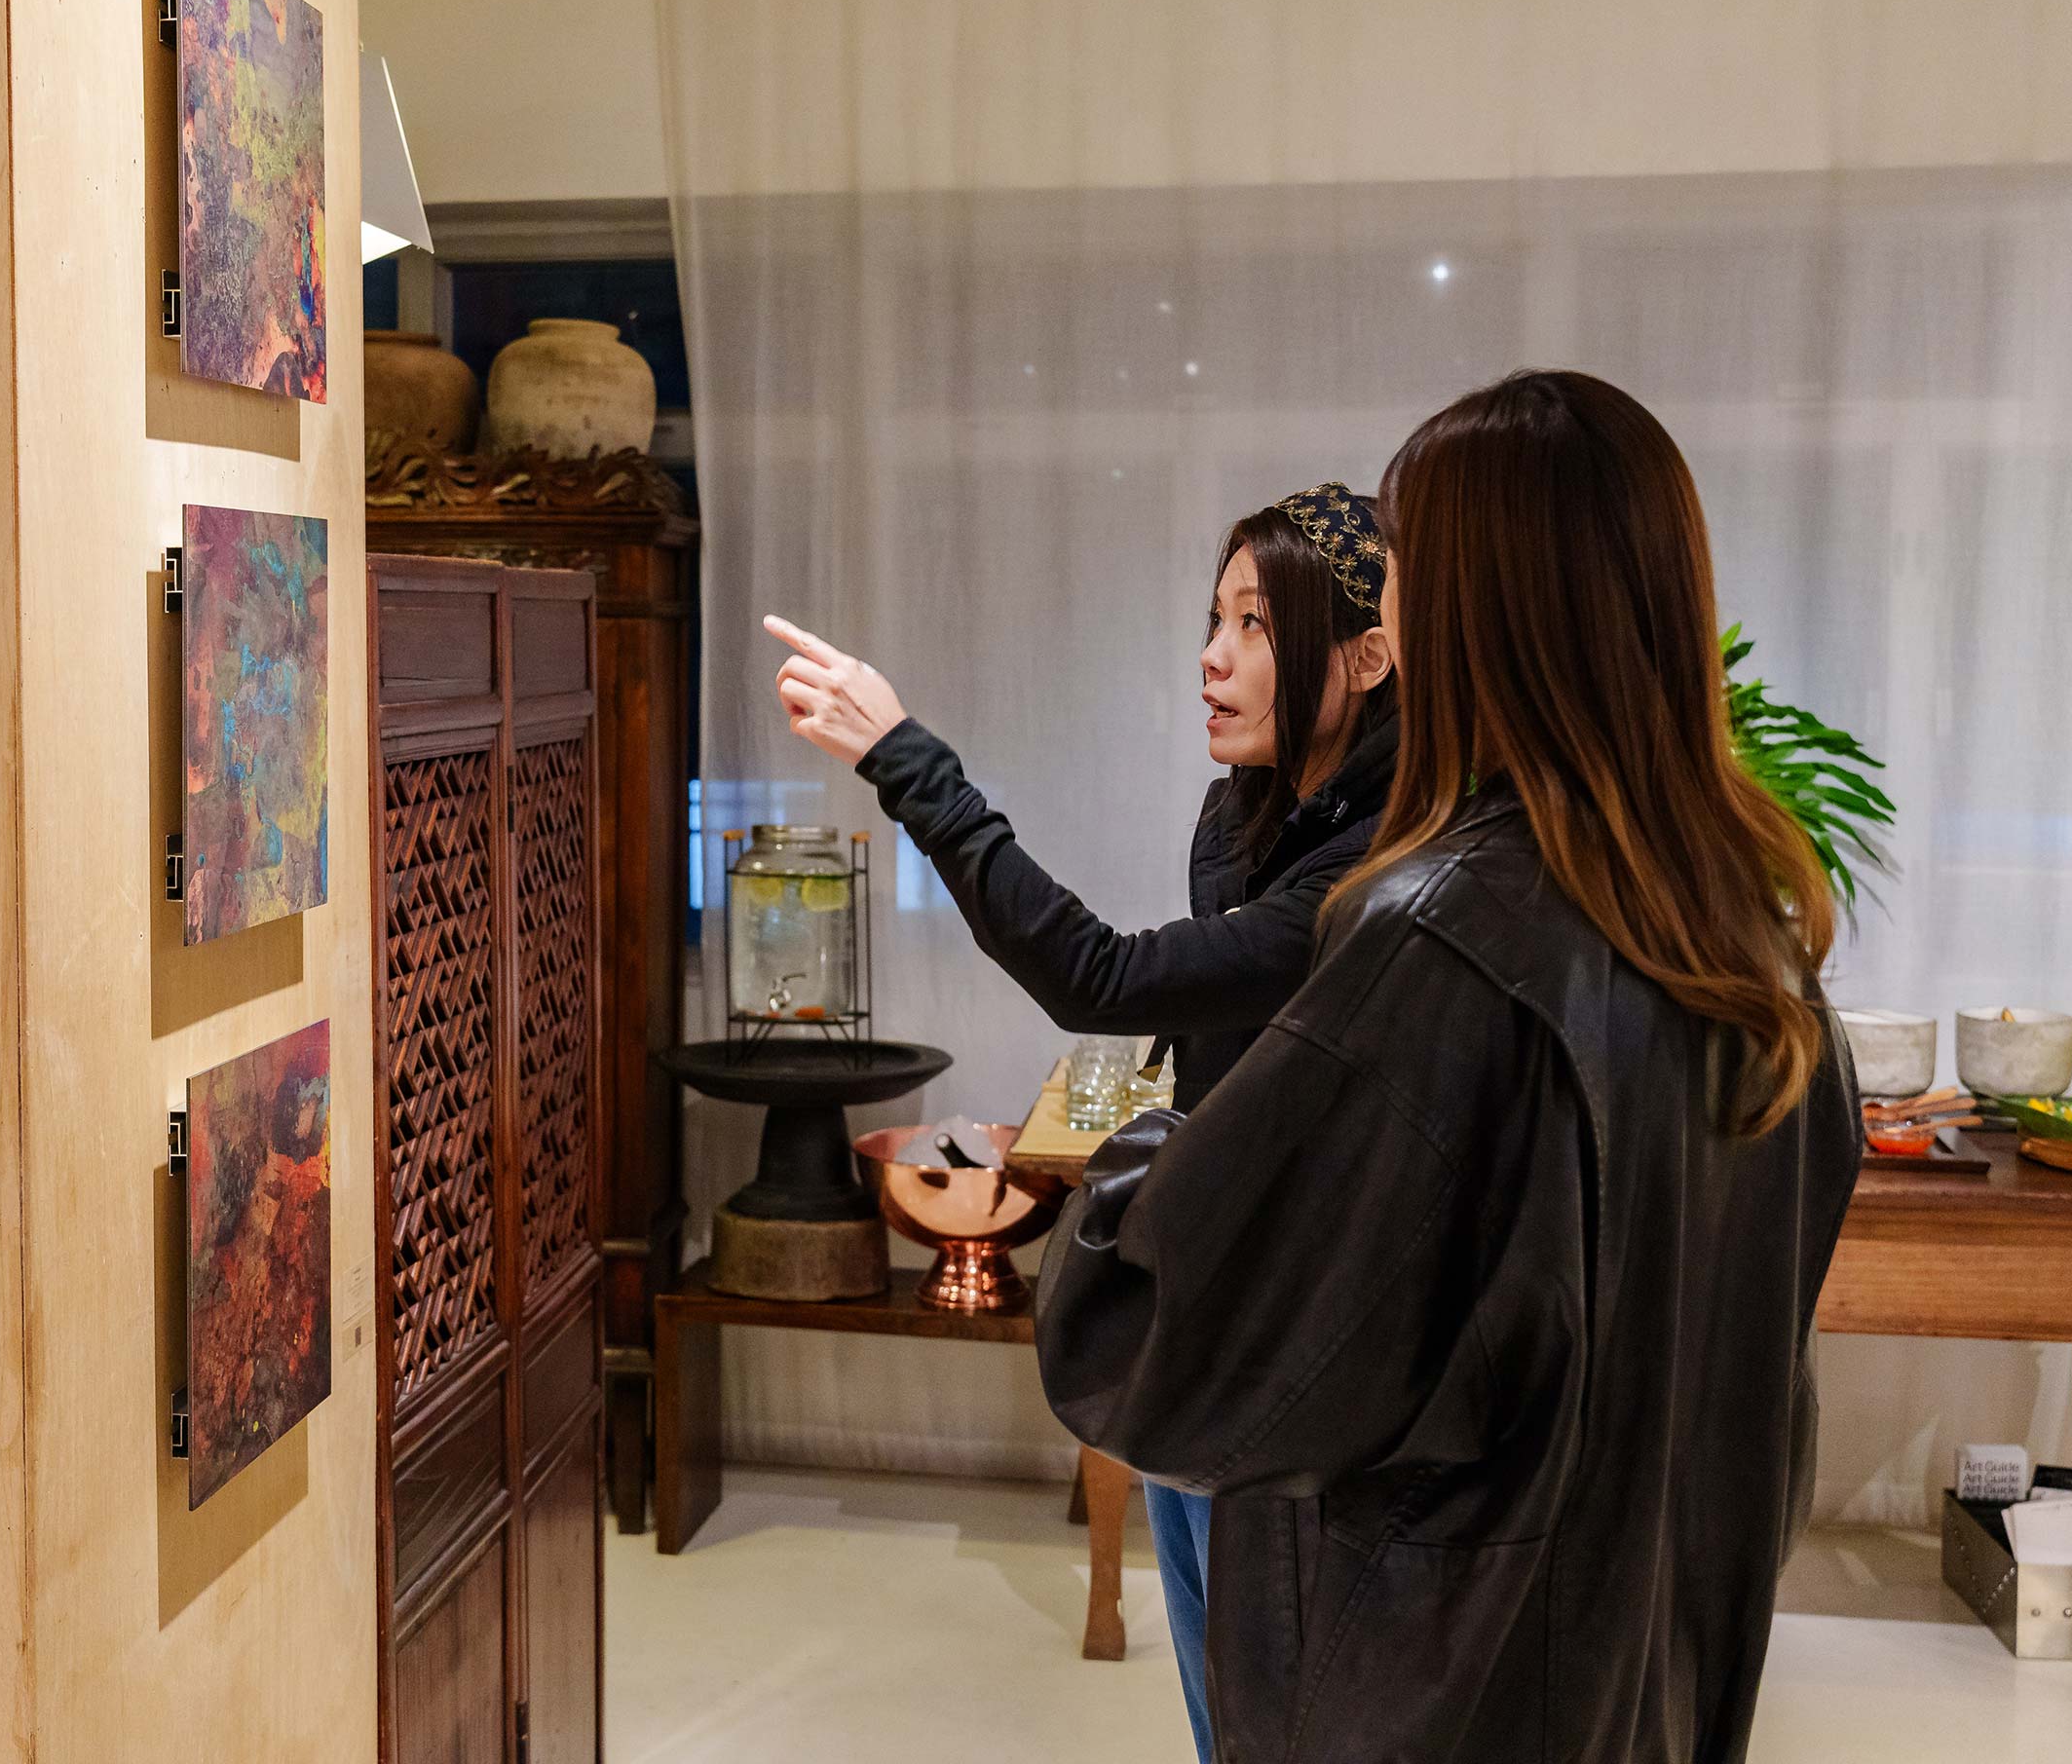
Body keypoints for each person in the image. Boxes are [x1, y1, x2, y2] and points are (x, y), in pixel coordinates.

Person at [1034, 370, 1864, 1763]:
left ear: (1475, 612)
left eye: (1407, 571)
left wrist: (1158, 1154)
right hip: (1646, 1676)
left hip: (1437, 1689)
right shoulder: (1758, 955)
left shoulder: (1442, 939)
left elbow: (1168, 1334)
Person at [766, 482, 1400, 1763]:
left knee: (1277, 1712)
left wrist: (908, 762)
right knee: (1223, 1701)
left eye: (1258, 625)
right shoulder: (1251, 810)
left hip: (1297, 1352)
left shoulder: (1374, 867)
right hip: (1208, 1305)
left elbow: (1103, 977)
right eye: (1214, 618)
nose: (1213, 657)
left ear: (1367, 659)